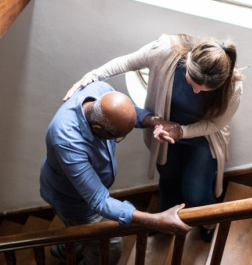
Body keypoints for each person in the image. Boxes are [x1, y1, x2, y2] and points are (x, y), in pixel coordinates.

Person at [63, 34, 243, 242]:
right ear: (188, 60)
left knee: (195, 188)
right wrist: (93, 75)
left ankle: (208, 220)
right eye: (192, 83)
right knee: (167, 176)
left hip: (204, 136)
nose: (195, 91)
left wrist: (182, 132)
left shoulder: (233, 88)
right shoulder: (166, 50)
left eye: (202, 90)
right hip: (167, 127)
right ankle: (165, 217)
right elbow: (127, 62)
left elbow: (216, 124)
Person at [40, 81, 191, 265]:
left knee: (78, 235)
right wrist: (154, 220)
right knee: (111, 247)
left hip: (77, 191)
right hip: (72, 200)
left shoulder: (101, 90)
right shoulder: (66, 140)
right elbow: (99, 200)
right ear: (97, 129)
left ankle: (64, 250)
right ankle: (67, 251)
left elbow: (128, 114)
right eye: (117, 137)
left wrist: (156, 122)